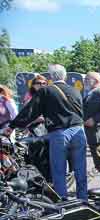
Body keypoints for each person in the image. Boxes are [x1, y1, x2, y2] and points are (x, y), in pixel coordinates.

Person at [6, 64, 88, 200]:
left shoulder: (46, 91)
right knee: (80, 169)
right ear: (65, 76)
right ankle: (83, 200)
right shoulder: (75, 91)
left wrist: (12, 126)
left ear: (50, 77)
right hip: (78, 131)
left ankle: (62, 201)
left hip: (60, 133)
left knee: (59, 170)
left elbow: (30, 112)